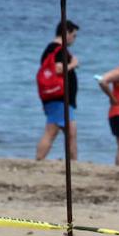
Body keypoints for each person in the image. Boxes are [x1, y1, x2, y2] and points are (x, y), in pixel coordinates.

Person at [35, 20, 80, 161]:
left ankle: (73, 163)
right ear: (66, 33)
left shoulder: (51, 49)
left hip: (56, 98)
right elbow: (58, 69)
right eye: (74, 35)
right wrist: (73, 63)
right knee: (52, 131)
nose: (74, 39)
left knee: (70, 133)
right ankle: (39, 159)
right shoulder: (58, 49)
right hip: (60, 97)